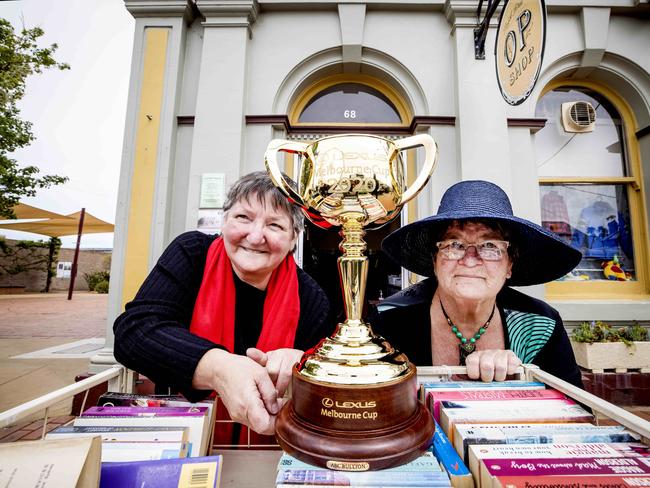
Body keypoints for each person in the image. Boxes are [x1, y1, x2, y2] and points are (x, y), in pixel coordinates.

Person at [113, 171, 332, 438]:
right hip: (181, 434)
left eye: (274, 225)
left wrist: (305, 363)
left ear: (293, 239)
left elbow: (330, 377)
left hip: (273, 442)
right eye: (243, 218)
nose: (255, 237)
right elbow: (134, 332)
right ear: (224, 220)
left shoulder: (311, 297)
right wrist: (219, 368)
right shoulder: (191, 252)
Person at [374, 180, 583, 387]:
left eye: (490, 245)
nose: (470, 259)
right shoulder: (388, 319)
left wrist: (517, 380)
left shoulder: (540, 324)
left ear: (509, 264)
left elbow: (577, 411)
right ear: (435, 261)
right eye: (455, 244)